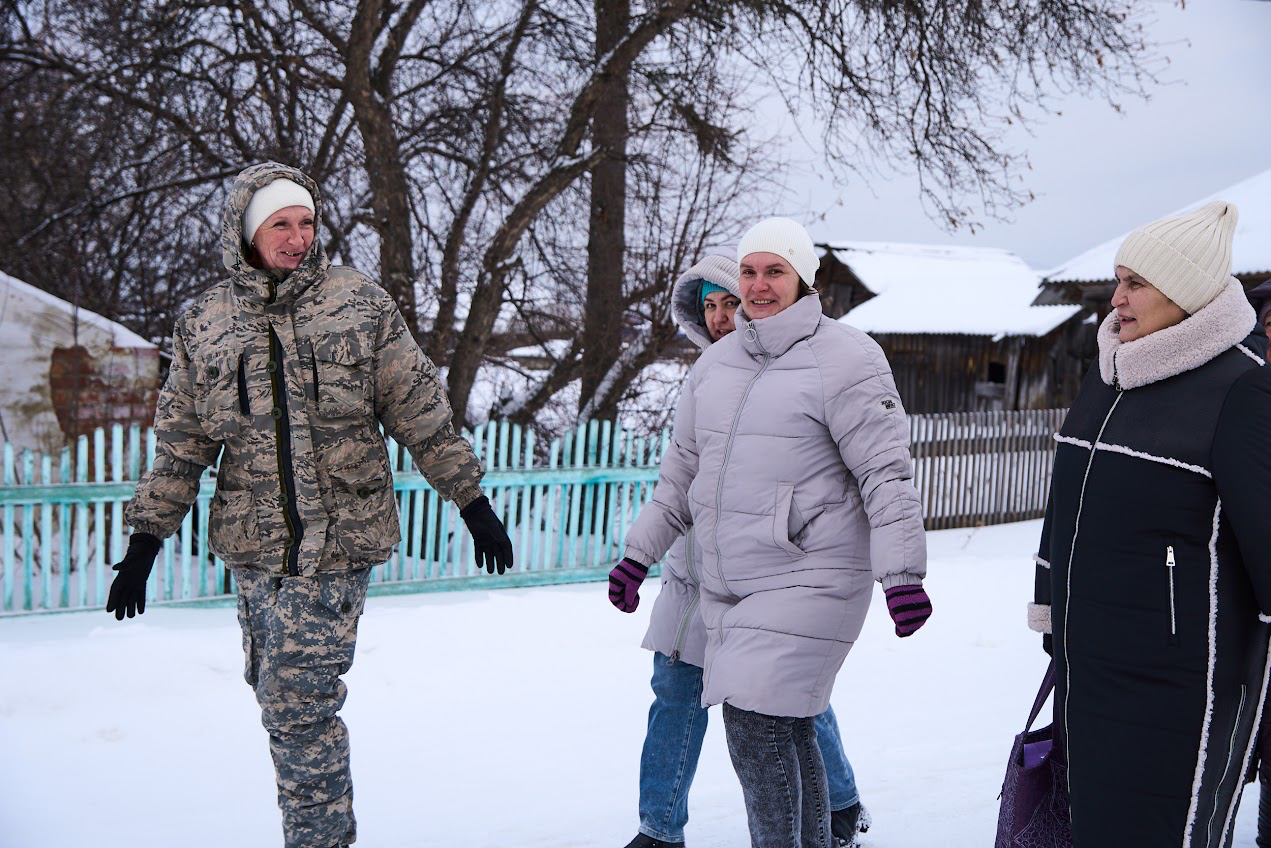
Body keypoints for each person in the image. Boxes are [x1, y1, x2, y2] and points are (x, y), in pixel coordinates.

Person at [106, 162, 513, 848]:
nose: (297, 237)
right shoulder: (205, 322)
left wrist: (470, 500)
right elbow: (183, 443)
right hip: (254, 544)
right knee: (274, 693)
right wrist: (146, 542)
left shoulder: (359, 304)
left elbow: (419, 411)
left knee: (299, 706)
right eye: (280, 224)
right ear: (247, 232)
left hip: (340, 539)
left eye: (306, 222)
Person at [611, 218, 931, 848]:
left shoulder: (848, 356)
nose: (757, 287)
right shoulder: (718, 365)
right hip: (740, 580)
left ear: (803, 278)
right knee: (782, 727)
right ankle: (824, 831)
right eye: (749, 271)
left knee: (757, 727)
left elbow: (885, 473)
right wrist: (637, 555)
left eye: (773, 272)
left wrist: (902, 573)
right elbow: (680, 474)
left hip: (814, 570)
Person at [1029, 201, 1271, 847]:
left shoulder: (1240, 391)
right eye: (1117, 279)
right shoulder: (1108, 374)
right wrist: (1049, 610)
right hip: (1087, 671)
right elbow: (1063, 508)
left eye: (1134, 283)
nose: (1115, 299)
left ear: (1186, 292)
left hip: (1177, 692)